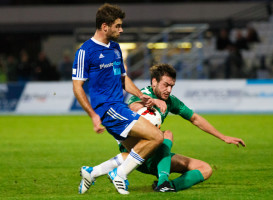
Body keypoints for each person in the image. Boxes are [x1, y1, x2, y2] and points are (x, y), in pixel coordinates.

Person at [84, 64, 246, 193]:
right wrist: (152, 102)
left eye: (172, 86)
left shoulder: (171, 101)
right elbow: (132, 107)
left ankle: (167, 185)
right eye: (165, 85)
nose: (168, 90)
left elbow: (195, 118)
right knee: (166, 134)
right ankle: (162, 181)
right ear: (154, 81)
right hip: (137, 150)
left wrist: (223, 137)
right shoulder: (143, 94)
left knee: (205, 169)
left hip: (156, 155)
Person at [72, 4, 167, 195]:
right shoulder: (85, 51)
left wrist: (141, 95)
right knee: (157, 136)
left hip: (119, 106)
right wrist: (93, 115)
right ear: (105, 26)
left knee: (138, 151)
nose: (121, 30)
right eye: (118, 26)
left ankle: (92, 172)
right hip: (107, 109)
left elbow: (123, 78)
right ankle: (120, 175)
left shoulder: (115, 48)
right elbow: (77, 87)